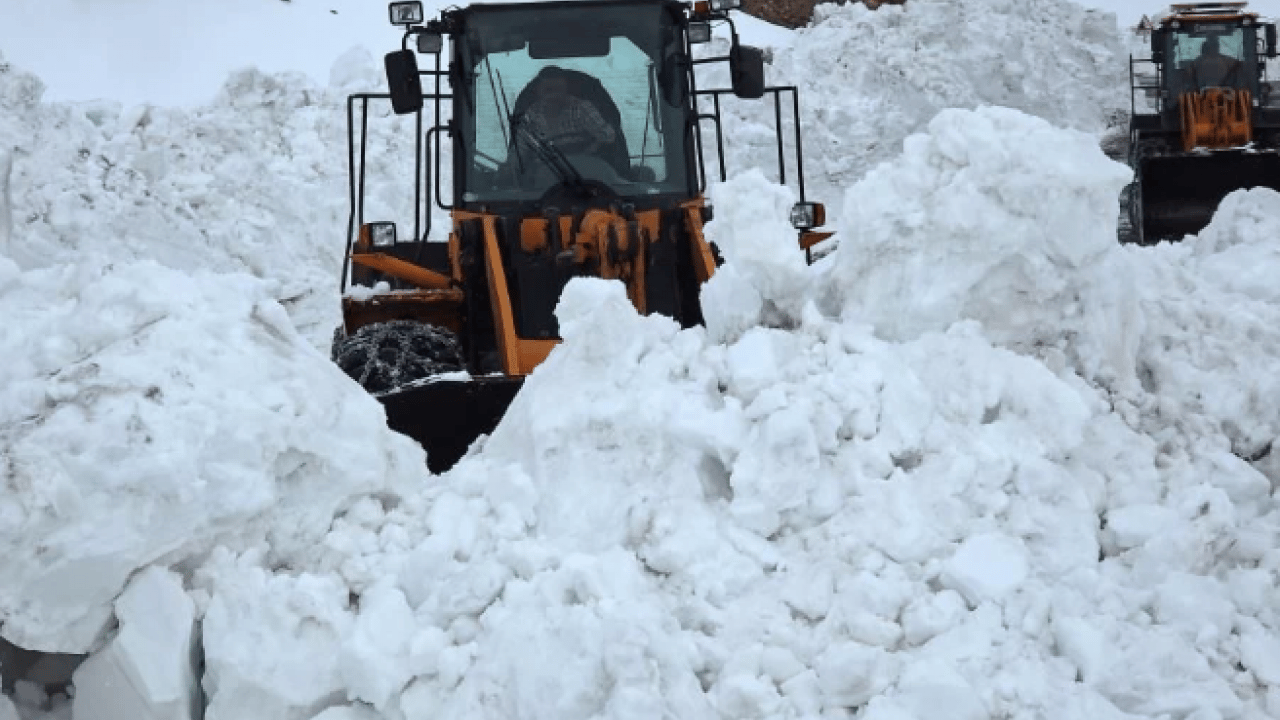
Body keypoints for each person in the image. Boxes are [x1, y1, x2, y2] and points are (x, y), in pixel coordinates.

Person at [518, 68, 617, 154]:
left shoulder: (581, 108)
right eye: (548, 90)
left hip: (582, 164)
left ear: (566, 90)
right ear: (538, 91)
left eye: (558, 90)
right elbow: (520, 148)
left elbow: (608, 135)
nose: (554, 95)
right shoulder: (532, 113)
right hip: (546, 167)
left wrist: (595, 144)